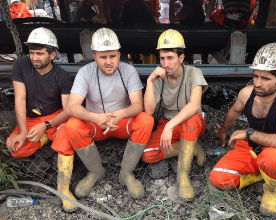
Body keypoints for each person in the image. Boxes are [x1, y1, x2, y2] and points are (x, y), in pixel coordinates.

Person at [209, 43, 276, 214]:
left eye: (265, 79)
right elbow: (235, 110)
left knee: (273, 160)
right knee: (218, 178)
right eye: (256, 76)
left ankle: (273, 189)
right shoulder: (247, 92)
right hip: (250, 147)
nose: (257, 83)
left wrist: (249, 133)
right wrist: (223, 130)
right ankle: (261, 174)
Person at [65, 28, 154, 199]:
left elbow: (137, 105)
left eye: (112, 56)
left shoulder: (128, 70)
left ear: (119, 55)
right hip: (96, 123)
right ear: (94, 56)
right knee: (73, 125)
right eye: (103, 57)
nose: (108, 62)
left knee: (146, 120)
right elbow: (72, 106)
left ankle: (126, 173)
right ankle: (95, 171)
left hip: (121, 122)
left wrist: (120, 113)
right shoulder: (85, 72)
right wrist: (96, 117)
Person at [5, 27, 78, 212]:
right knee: (16, 148)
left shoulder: (62, 76)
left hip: (55, 117)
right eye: (31, 53)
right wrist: (22, 132)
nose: (34, 57)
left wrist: (45, 126)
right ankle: (42, 136)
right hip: (32, 118)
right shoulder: (21, 65)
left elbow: (68, 110)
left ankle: (63, 190)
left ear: (53, 54)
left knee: (66, 138)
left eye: (40, 53)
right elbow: (19, 99)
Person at [141, 29, 208, 201]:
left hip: (190, 123)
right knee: (147, 154)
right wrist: (150, 81)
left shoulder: (194, 73)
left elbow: (195, 105)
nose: (165, 63)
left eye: (170, 58)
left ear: (181, 58)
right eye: (162, 58)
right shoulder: (159, 78)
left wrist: (171, 126)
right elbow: (148, 110)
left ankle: (183, 175)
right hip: (167, 122)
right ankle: (192, 148)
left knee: (191, 121)